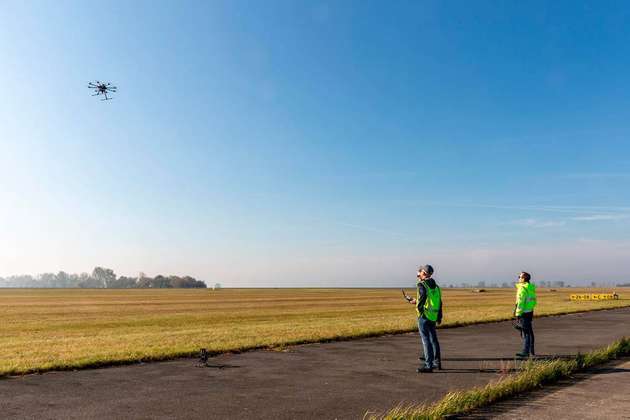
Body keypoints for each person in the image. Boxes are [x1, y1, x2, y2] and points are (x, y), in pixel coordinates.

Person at [408, 264, 442, 373]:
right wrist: (439, 316)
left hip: (424, 316)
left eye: (421, 272)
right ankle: (437, 362)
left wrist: (419, 310)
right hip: (433, 316)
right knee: (433, 339)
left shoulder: (422, 284)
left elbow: (421, 300)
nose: (419, 274)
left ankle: (428, 365)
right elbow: (440, 303)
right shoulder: (436, 287)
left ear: (424, 273)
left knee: (425, 340)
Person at [514, 271, 537, 358]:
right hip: (530, 311)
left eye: (519, 276)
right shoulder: (530, 288)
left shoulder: (522, 288)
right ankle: (531, 350)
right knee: (530, 332)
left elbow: (520, 302)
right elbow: (533, 301)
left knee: (526, 333)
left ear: (523, 279)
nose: (518, 278)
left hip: (524, 313)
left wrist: (518, 314)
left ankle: (525, 352)